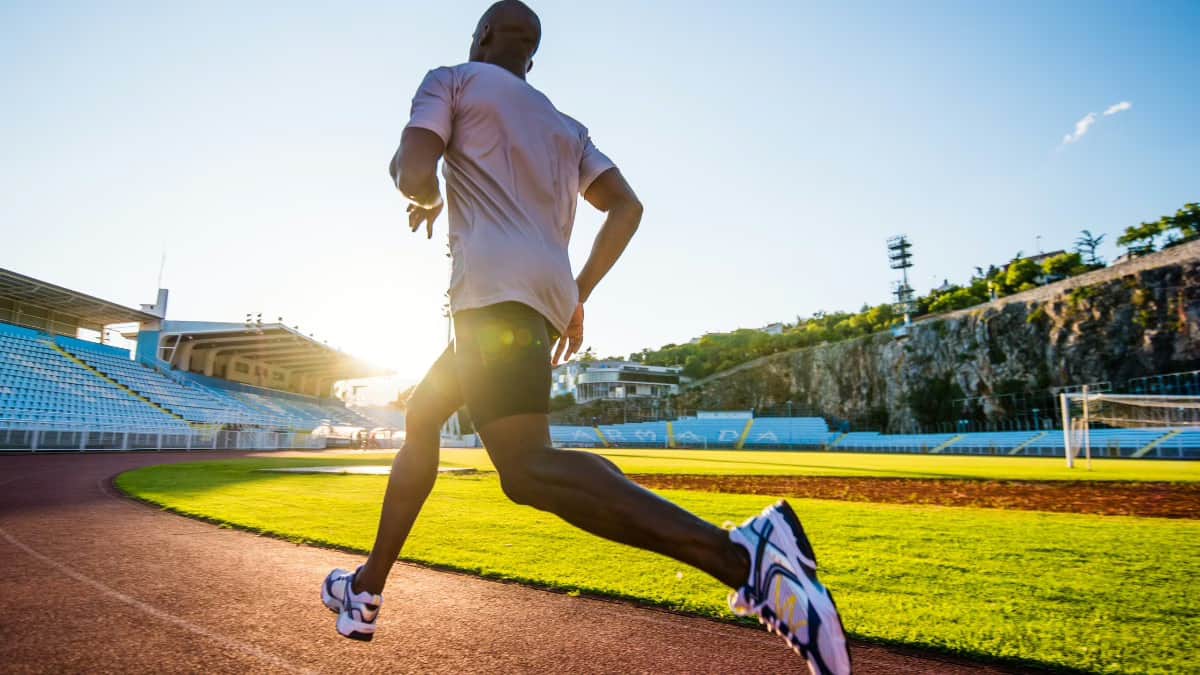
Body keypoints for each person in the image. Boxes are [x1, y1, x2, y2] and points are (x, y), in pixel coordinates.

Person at [321, 3, 850, 672]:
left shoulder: (451, 79)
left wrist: (425, 198)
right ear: (532, 56)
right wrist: (578, 294)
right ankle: (366, 589)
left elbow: (410, 170)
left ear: (481, 36)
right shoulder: (566, 128)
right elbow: (627, 206)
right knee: (423, 413)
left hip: (491, 298)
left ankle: (745, 556)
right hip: (535, 302)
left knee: (526, 468)